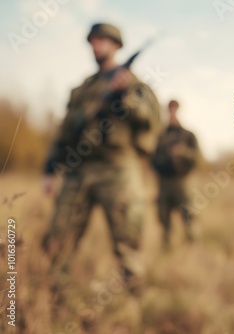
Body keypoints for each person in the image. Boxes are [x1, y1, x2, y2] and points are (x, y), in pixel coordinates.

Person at [41, 23, 160, 304]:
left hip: (118, 168)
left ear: (116, 46)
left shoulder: (135, 84)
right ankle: (56, 300)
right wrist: (49, 169)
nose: (97, 46)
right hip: (77, 169)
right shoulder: (83, 88)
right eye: (93, 41)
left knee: (128, 241)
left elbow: (151, 120)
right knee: (59, 238)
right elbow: (65, 131)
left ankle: (134, 305)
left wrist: (124, 96)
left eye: (103, 41)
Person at [152, 100, 198, 246]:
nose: (172, 112)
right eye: (169, 109)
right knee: (163, 215)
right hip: (163, 181)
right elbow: (151, 158)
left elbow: (196, 158)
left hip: (181, 181)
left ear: (178, 110)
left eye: (174, 109)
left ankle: (192, 243)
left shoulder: (187, 135)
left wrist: (182, 153)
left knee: (187, 213)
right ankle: (166, 245)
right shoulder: (160, 136)